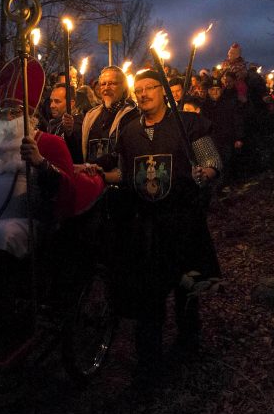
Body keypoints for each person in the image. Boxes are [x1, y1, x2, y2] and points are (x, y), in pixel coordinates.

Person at [102, 69, 222, 378]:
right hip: (147, 226)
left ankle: (187, 346)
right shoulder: (129, 131)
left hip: (183, 221)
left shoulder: (188, 123)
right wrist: (98, 175)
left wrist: (204, 173)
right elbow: (125, 173)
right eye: (137, 89)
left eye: (149, 88)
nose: (142, 94)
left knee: (186, 289)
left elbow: (211, 161)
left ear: (162, 91)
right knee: (149, 295)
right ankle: (149, 363)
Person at [0, 97, 79, 259]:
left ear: (28, 115)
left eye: (15, 112)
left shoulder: (50, 143)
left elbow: (67, 191)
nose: (9, 117)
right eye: (3, 113)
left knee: (4, 235)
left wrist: (41, 163)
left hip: (25, 224)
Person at [80, 65, 139, 169]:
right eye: (103, 84)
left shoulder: (132, 115)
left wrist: (93, 166)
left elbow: (122, 153)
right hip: (92, 179)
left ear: (124, 87)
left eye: (112, 83)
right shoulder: (91, 115)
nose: (106, 88)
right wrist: (69, 133)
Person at [47, 82, 84, 163]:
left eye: (57, 101)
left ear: (71, 103)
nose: (51, 105)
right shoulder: (54, 123)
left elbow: (75, 152)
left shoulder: (77, 124)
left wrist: (69, 133)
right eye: (51, 101)